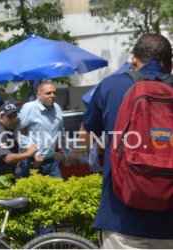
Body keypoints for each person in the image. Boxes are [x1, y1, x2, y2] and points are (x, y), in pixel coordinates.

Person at [79, 33, 173, 248]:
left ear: (133, 59)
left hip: (121, 219)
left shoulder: (110, 86)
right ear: (170, 65)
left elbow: (85, 140)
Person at [15, 79, 71, 178]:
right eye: (48, 93)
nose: (52, 95)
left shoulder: (57, 108)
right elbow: (17, 133)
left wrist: (67, 153)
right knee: (33, 193)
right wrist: (36, 153)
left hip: (51, 162)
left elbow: (61, 132)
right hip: (32, 162)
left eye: (54, 93)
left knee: (59, 190)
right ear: (38, 95)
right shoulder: (29, 108)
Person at [0, 102, 38, 178]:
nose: (13, 120)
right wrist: (28, 153)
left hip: (9, 174)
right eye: (9, 117)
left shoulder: (13, 128)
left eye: (15, 116)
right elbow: (8, 158)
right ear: (1, 118)